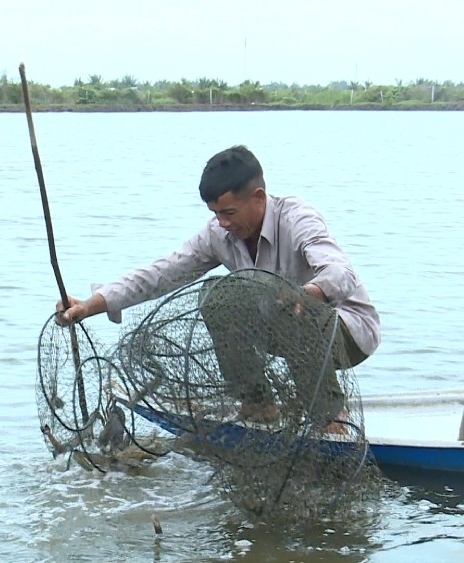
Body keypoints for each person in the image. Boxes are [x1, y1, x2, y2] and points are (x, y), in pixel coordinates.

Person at [57, 145, 380, 431]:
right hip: (284, 331)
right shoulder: (219, 233)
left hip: (348, 333)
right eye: (215, 213)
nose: (222, 223)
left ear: (258, 198)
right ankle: (258, 405)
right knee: (218, 298)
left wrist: (307, 294)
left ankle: (329, 417)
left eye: (229, 213)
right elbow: (161, 273)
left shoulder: (297, 218)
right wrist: (91, 305)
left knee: (290, 306)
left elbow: (340, 273)